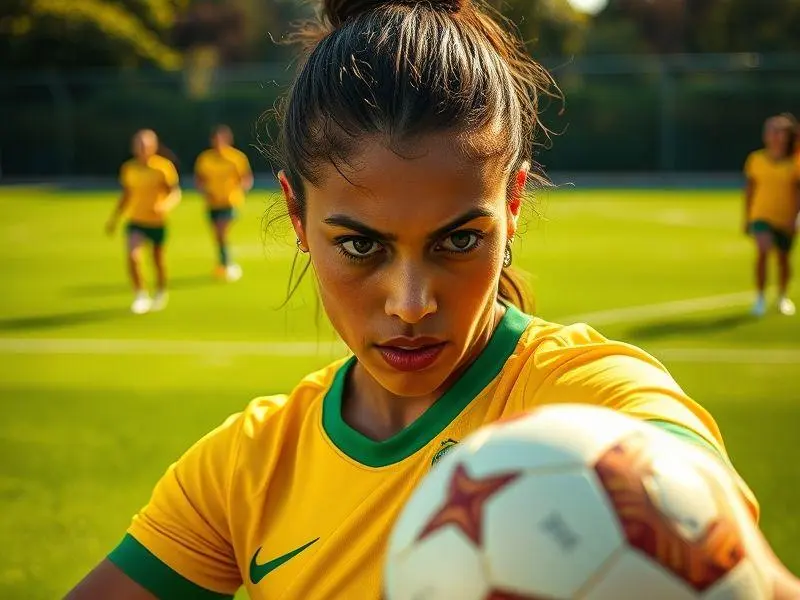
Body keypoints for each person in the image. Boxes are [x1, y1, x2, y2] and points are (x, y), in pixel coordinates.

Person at [70, 1, 800, 598]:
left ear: (512, 206)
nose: (412, 303)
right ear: (297, 217)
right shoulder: (246, 469)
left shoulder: (595, 399)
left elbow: (714, 526)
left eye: (458, 241)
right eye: (361, 246)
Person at [106, 129, 181, 314]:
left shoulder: (163, 167)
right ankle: (140, 295)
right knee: (133, 257)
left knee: (157, 261)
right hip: (136, 220)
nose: (142, 148)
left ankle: (161, 291)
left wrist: (165, 206)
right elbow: (126, 195)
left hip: (157, 222)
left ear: (154, 146)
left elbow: (175, 192)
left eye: (145, 144)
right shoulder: (129, 169)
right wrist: (114, 218)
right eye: (139, 144)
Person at [743, 114, 800, 317]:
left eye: (778, 131)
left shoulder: (795, 162)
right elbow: (750, 190)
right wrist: (747, 217)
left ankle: (782, 296)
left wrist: (795, 217)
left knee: (783, 259)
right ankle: (759, 297)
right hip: (761, 215)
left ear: (787, 135)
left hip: (785, 217)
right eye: (770, 130)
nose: (773, 135)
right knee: (763, 251)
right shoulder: (756, 159)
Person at [194, 124, 253, 282]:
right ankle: (223, 263)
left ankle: (227, 264)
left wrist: (240, 190)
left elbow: (246, 178)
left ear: (228, 140)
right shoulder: (205, 159)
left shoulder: (237, 158)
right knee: (218, 236)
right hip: (212, 203)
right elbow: (199, 180)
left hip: (230, 201)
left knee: (221, 231)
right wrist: (205, 191)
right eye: (216, 139)